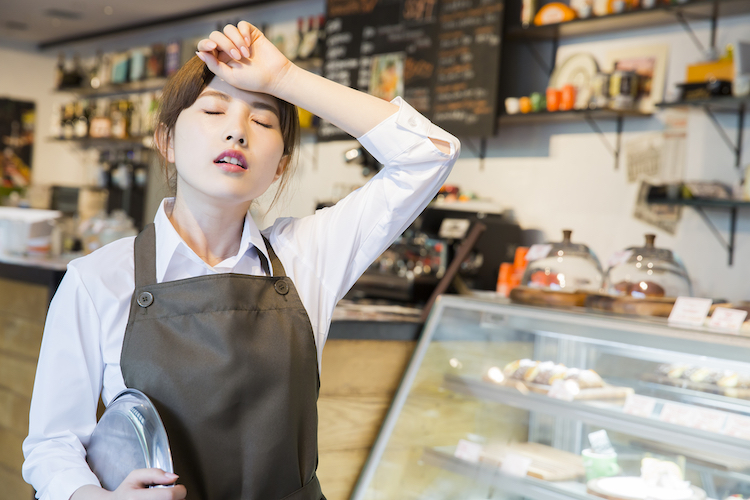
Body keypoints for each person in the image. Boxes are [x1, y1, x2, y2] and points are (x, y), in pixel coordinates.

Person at [23, 21, 460, 500]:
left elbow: (429, 154)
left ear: (282, 165)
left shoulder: (307, 256)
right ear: (166, 140)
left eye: (264, 120)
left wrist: (284, 78)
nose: (237, 130)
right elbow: (53, 444)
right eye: (213, 110)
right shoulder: (97, 279)